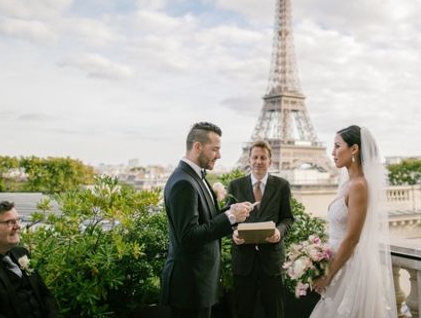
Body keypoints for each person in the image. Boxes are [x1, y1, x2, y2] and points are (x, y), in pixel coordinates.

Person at [160, 121, 254, 318]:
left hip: (198, 284)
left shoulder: (194, 178)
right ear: (197, 147)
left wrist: (232, 210)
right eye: (215, 149)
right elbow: (188, 236)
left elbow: (206, 220)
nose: (219, 155)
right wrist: (229, 217)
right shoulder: (183, 183)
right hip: (190, 287)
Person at [310, 125, 397, 317]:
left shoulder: (358, 186)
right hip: (339, 264)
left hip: (348, 270)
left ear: (354, 149)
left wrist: (328, 274)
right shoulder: (348, 184)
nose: (332, 152)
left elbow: (352, 239)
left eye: (337, 146)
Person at [228, 139, 294, 318]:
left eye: (263, 158)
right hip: (243, 261)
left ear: (270, 161)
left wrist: (279, 232)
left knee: (275, 312)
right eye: (255, 157)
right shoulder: (235, 185)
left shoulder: (282, 186)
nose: (258, 161)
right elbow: (230, 219)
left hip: (272, 261)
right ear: (249, 159)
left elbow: (287, 218)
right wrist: (234, 233)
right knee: (243, 311)